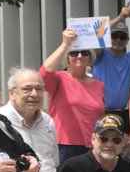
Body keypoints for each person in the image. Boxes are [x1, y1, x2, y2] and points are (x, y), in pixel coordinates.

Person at [40, 29, 105, 163]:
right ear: (67, 59)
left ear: (90, 58)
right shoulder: (59, 78)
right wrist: (65, 45)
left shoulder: (99, 84)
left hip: (93, 144)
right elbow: (44, 73)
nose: (79, 56)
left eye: (84, 53)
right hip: (65, 146)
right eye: (74, 53)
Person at [90, 8, 130, 130]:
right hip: (99, 112)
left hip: (123, 114)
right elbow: (97, 37)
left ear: (127, 40)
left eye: (122, 37)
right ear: (108, 37)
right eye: (114, 36)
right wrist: (120, 17)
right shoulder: (100, 54)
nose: (118, 40)